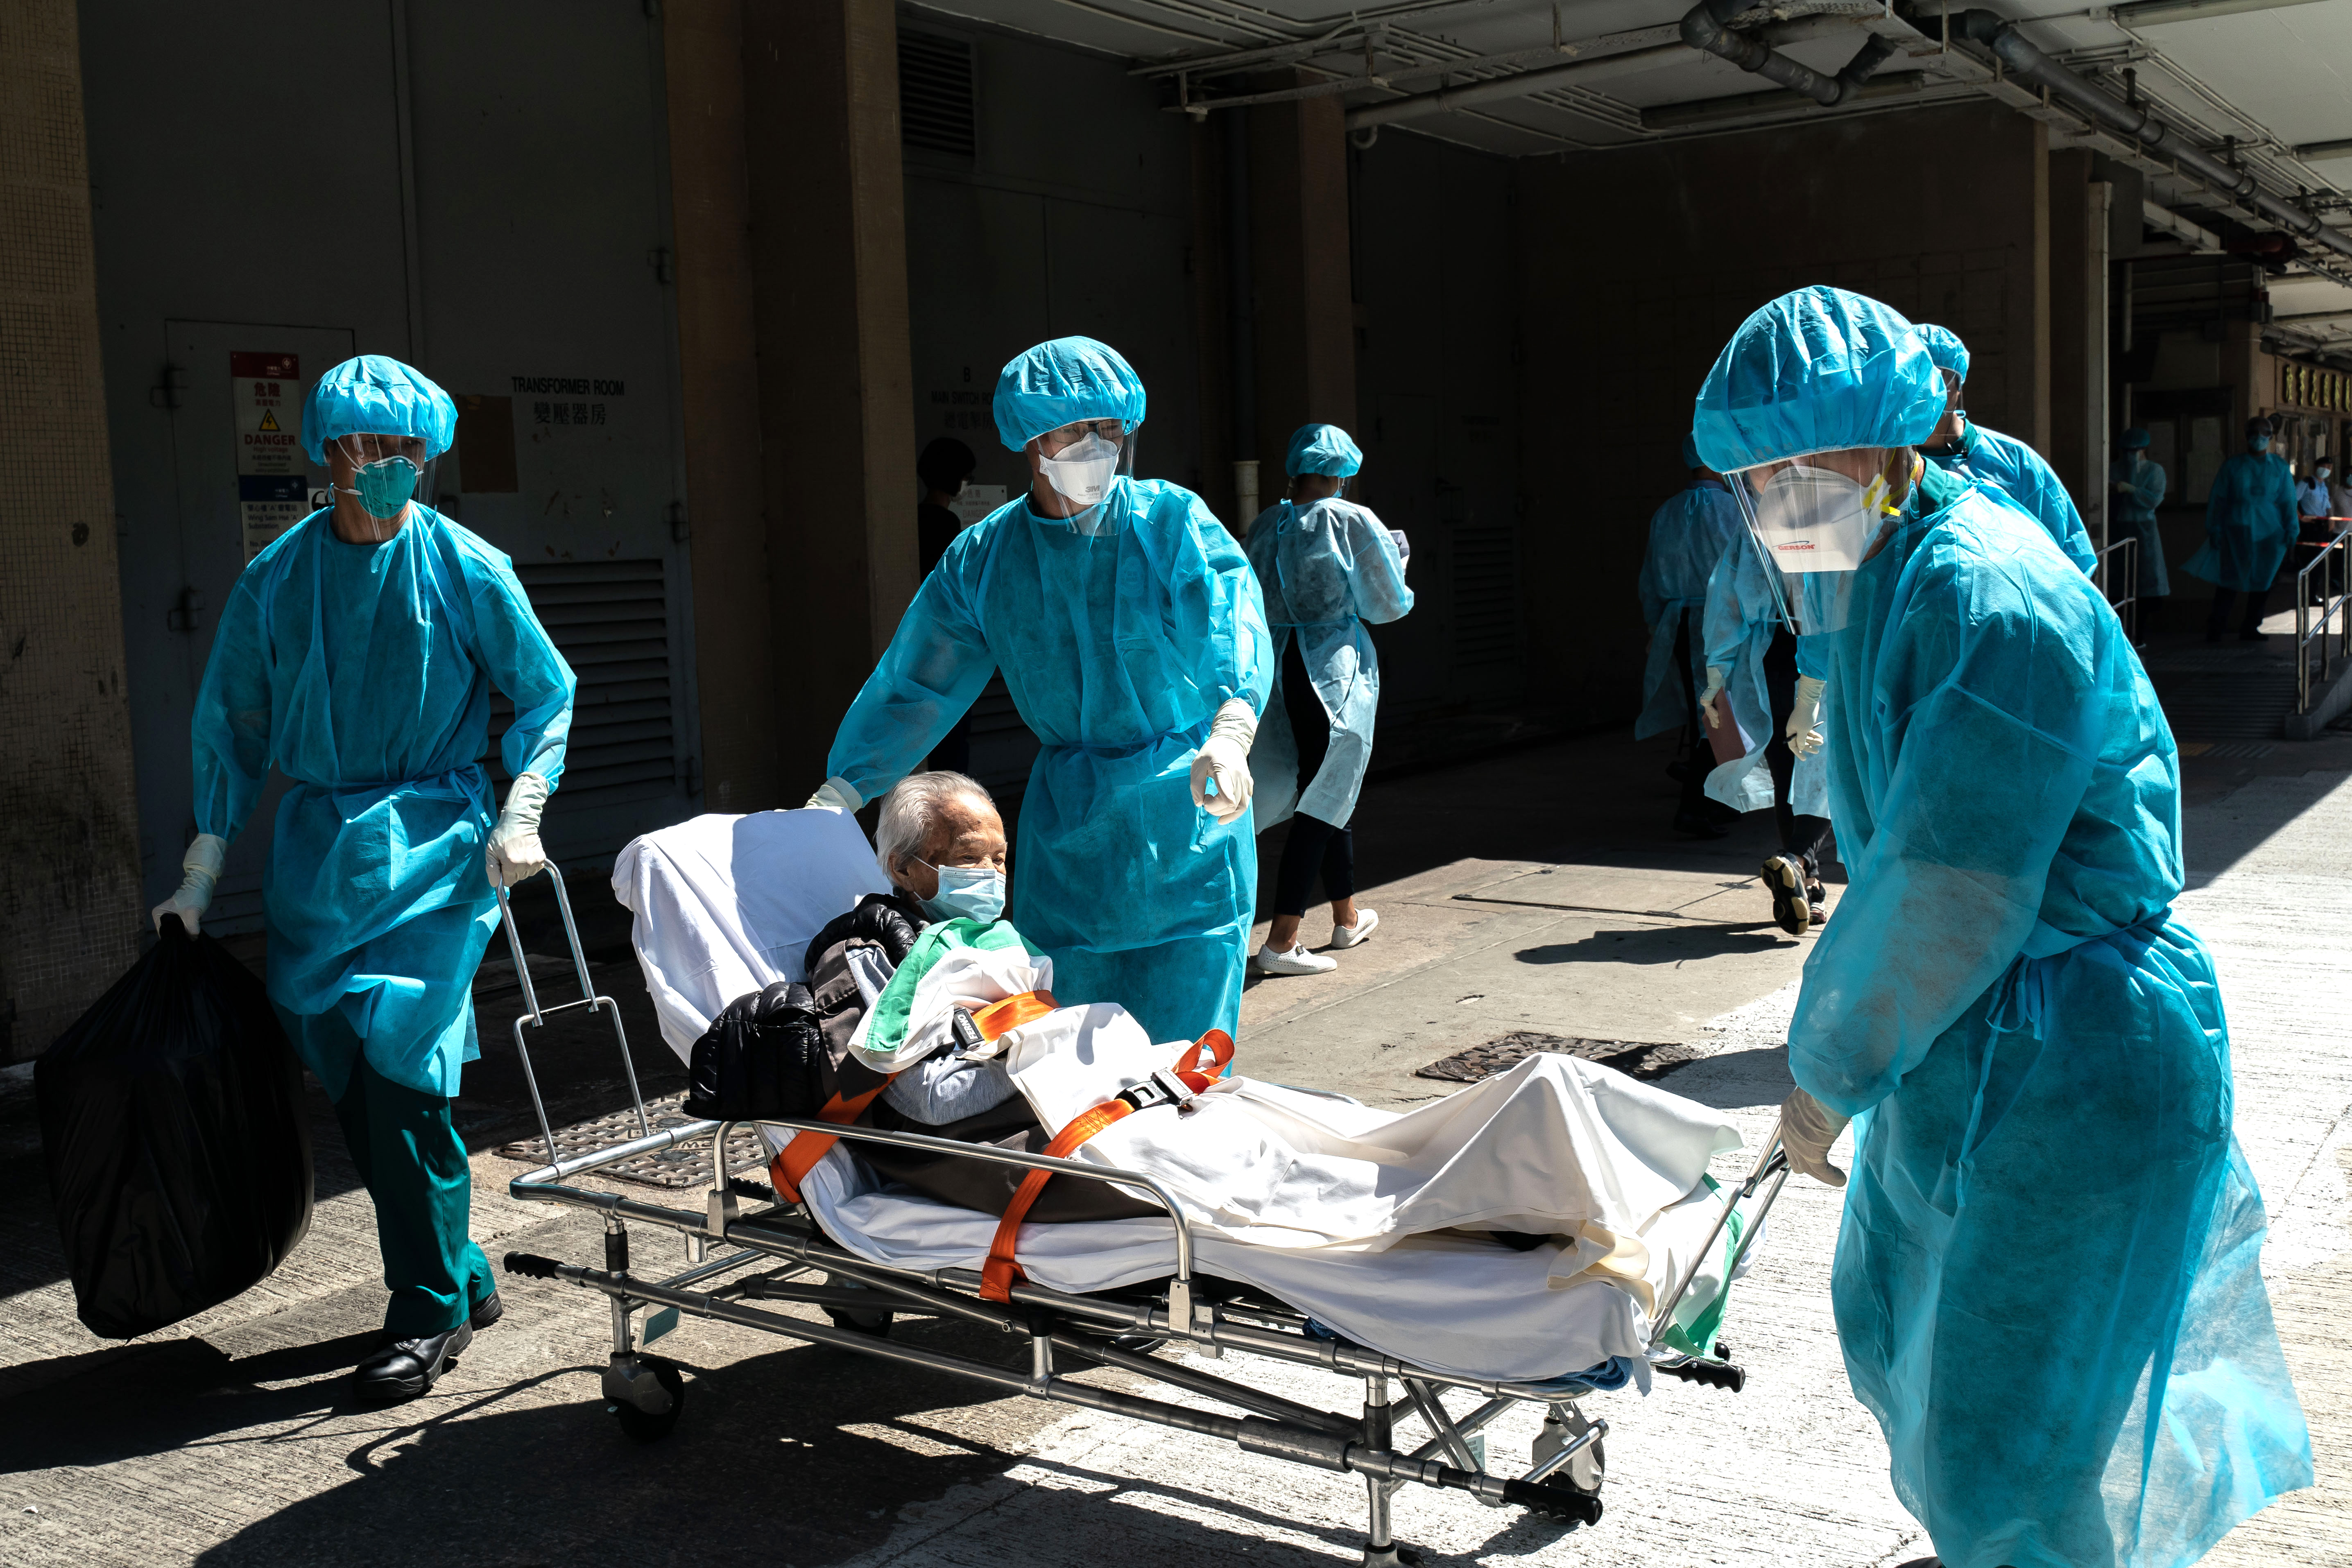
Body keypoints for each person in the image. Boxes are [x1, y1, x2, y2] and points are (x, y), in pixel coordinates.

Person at [1694, 285, 2310, 1568]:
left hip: (2067, 1046)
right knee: (1916, 1349)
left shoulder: (1983, 591)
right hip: (1979, 1030)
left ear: (1879, 438)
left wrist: (1831, 1065)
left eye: (1783, 472)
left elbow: (1950, 882)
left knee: (2012, 1439)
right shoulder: (1881, 565)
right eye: (1746, 482)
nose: (1765, 506)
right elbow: (1905, 852)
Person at [149, 355, 576, 1402]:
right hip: (319, 862)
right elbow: (232, 726)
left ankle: (425, 1312)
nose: (386, 464)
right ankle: (462, 1270)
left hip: (435, 850)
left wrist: (522, 807)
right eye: (366, 446)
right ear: (325, 450)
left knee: (406, 1081)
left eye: (405, 450)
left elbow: (544, 693)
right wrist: (203, 865)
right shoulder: (278, 579)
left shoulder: (465, 565)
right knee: (347, 1074)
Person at [805, 337, 1270, 1047]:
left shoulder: (1169, 522)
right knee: (1067, 1052)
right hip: (1071, 830)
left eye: (1111, 428)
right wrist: (844, 786)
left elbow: (1227, 617)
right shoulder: (985, 559)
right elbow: (917, 680)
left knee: (1187, 1060)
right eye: (1077, 430)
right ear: (1031, 438)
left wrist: (1231, 728)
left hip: (1185, 812)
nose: (1098, 446)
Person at [1243, 423, 1413, 977]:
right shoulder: (1349, 519)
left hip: (1280, 667)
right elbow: (1387, 603)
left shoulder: (1265, 524)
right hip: (1332, 671)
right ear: (1342, 473)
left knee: (1330, 786)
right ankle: (1282, 940)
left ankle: (1346, 917)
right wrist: (1397, 559)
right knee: (1323, 798)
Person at [1697, 526, 1832, 934]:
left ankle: (1805, 881)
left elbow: (1726, 601)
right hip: (1823, 652)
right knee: (1827, 770)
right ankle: (1798, 860)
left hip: (1770, 653)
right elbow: (1832, 603)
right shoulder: (1830, 518)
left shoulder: (1755, 526)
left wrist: (1716, 671)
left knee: (1789, 771)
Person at [1912, 324, 2097, 575]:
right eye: (1914, 375)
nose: (1924, 390)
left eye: (1937, 379)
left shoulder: (2015, 461)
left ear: (1959, 384)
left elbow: (2068, 561)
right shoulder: (1885, 462)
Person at [1638, 433, 1748, 838]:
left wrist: (1655, 627)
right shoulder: (1734, 511)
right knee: (1722, 713)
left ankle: (1715, 800)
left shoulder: (1666, 512)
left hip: (1677, 624)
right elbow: (1748, 575)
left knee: (1704, 711)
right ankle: (1695, 805)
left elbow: (1649, 578)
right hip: (1722, 623)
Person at [2184, 416, 2300, 642]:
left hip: (2269, 532)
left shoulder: (2278, 467)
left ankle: (2251, 626)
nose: (2259, 437)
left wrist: (2291, 529)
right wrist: (2215, 528)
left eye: (2264, 433)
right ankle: (2216, 627)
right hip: (2237, 530)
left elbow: (2289, 500)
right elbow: (2218, 499)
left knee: (2263, 581)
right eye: (2254, 433)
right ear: (2247, 436)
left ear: (2271, 436)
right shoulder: (2233, 466)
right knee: (2229, 581)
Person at [917, 437, 980, 773]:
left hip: (920, 646)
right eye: (966, 476)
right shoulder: (947, 525)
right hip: (947, 647)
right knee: (952, 737)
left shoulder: (912, 519)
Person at [2110, 426, 2169, 628]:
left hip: (2145, 530)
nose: (2131, 455)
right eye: (2127, 451)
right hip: (2118, 528)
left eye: (2136, 451)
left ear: (2144, 449)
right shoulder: (2114, 469)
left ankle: (2140, 629)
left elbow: (2153, 500)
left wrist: (2131, 490)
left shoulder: (2154, 471)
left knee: (2146, 579)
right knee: (2120, 579)